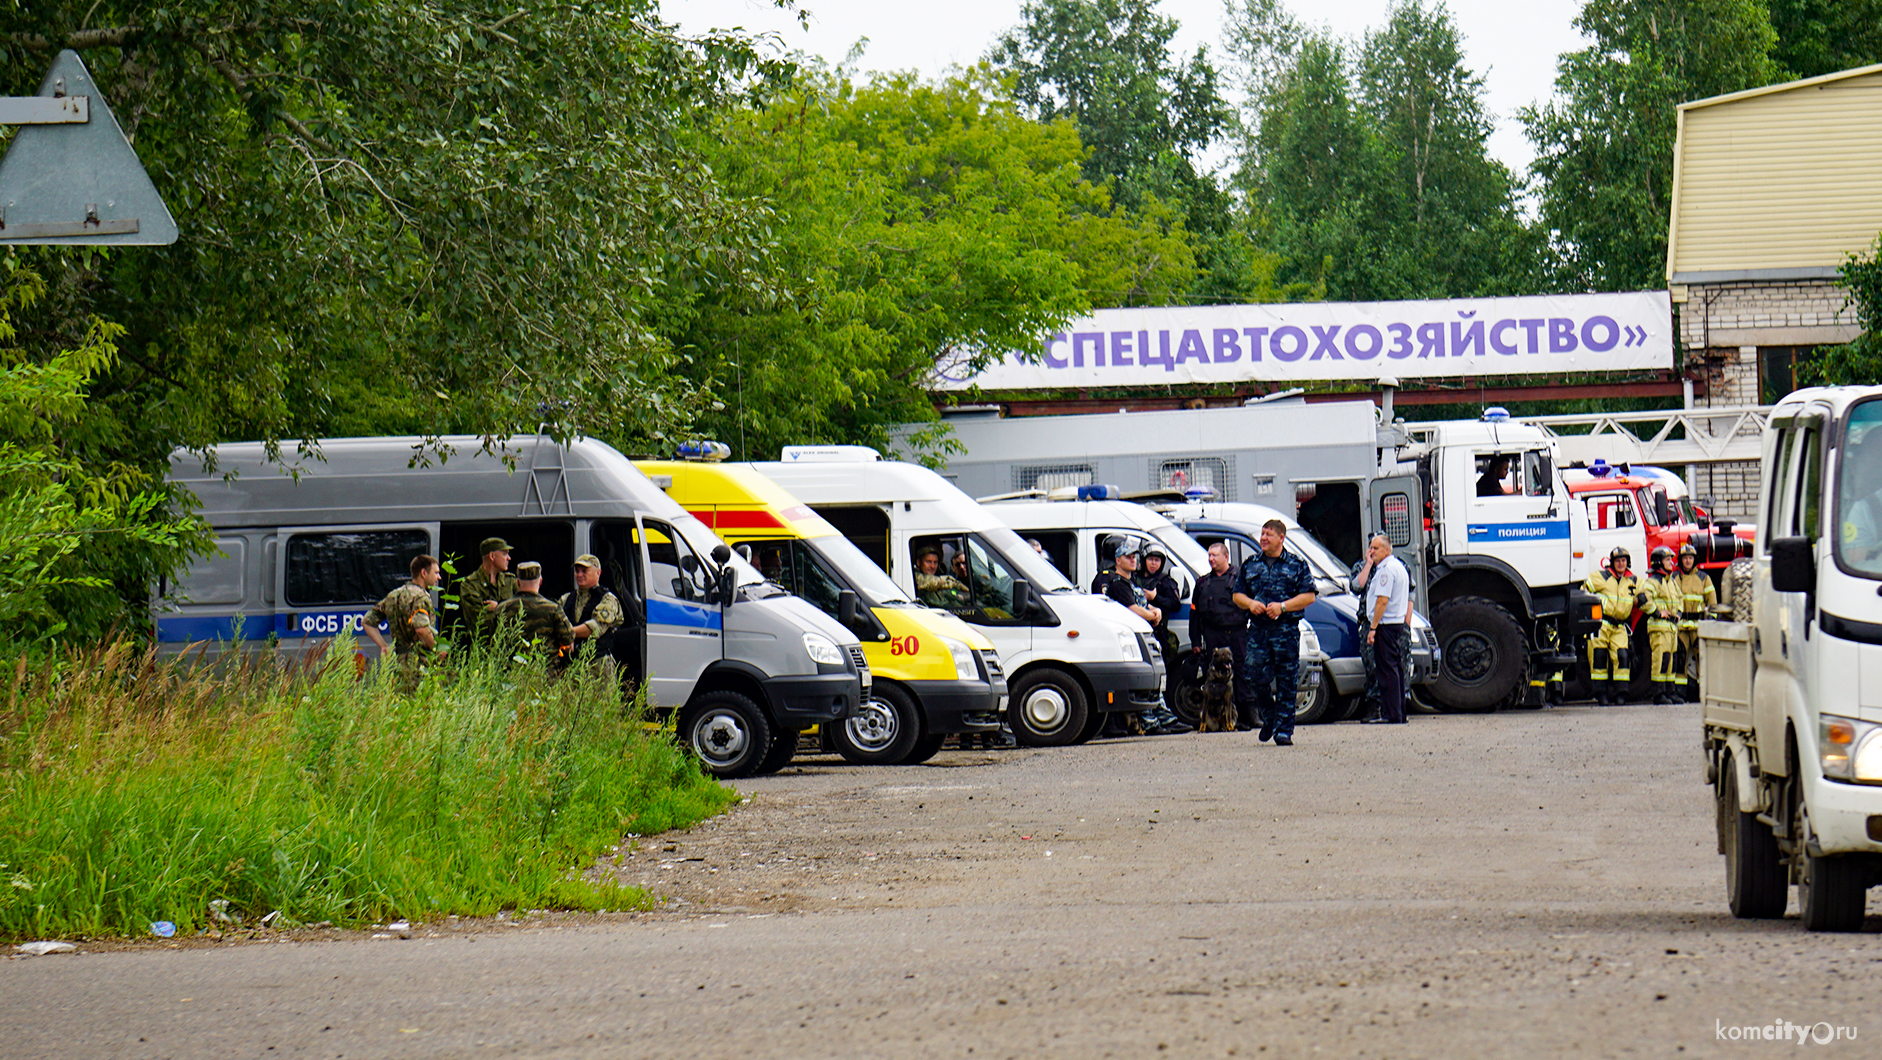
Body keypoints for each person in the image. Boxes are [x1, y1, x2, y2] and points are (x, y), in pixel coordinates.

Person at [1093, 536, 1190, 735]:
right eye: (1128, 557)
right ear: (1118, 560)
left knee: (1154, 682)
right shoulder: (1117, 584)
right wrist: (1152, 615)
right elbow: (1133, 609)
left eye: (1135, 557)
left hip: (1148, 637)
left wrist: (1156, 610)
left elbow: (1149, 604)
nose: (1133, 560)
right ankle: (1149, 721)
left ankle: (1160, 717)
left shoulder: (1131, 583)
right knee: (1144, 684)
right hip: (1132, 640)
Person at [1232, 519, 1317, 745]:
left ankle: (1283, 731)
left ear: (1281, 538)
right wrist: (1250, 603)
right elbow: (1237, 595)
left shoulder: (1297, 564)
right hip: (1258, 630)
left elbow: (1309, 595)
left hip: (1285, 630)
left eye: (1268, 534)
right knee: (1252, 675)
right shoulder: (1251, 564)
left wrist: (1283, 606)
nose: (1263, 538)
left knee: (1286, 681)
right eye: (1262, 534)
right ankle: (1269, 716)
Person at [362, 554, 443, 692]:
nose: (439, 577)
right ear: (423, 573)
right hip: (419, 665)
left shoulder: (394, 595)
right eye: (436, 573)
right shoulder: (421, 597)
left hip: (399, 663)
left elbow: (367, 622)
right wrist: (437, 650)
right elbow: (421, 629)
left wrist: (383, 646)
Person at [1584, 546, 1645, 705]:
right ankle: (1600, 694)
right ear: (1612, 562)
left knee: (1623, 657)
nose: (1620, 564)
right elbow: (1583, 588)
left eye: (1623, 561)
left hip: (1620, 626)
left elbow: (1647, 592)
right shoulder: (1601, 577)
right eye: (1617, 561)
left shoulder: (1633, 581)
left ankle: (1621, 693)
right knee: (1598, 657)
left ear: (1627, 562)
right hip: (1601, 624)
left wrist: (1642, 599)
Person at [1360, 534, 1411, 725]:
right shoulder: (1397, 566)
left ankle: (1392, 714)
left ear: (1387, 550)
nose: (1372, 551)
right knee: (1395, 668)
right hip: (1395, 623)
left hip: (1386, 625)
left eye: (1376, 548)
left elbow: (1382, 600)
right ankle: (1398, 712)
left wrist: (1373, 627)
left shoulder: (1386, 570)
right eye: (1371, 548)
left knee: (1387, 670)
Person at [496, 560, 575, 666]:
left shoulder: (501, 609)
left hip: (512, 674)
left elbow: (494, 642)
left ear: (518, 582)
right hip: (545, 673)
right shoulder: (553, 608)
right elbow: (568, 638)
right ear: (541, 581)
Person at [1136, 546, 1184, 710]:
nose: (1153, 564)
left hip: (1159, 634)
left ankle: (1163, 709)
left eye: (1157, 561)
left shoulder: (1166, 581)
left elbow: (1175, 604)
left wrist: (1155, 597)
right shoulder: (1134, 578)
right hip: (1136, 633)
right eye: (1150, 560)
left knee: (1162, 674)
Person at [559, 553, 624, 667]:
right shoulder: (566, 599)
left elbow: (594, 628)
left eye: (584, 571)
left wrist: (567, 634)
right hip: (571, 666)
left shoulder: (608, 599)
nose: (579, 575)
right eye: (577, 571)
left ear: (598, 573)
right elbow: (554, 623)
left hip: (598, 667)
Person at [1671, 542, 1718, 698]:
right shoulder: (1674, 578)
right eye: (1685, 558)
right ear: (1680, 560)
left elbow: (1712, 602)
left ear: (1694, 560)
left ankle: (1703, 694)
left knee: (1702, 659)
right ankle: (1680, 692)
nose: (1688, 561)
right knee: (1680, 658)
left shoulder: (1704, 578)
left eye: (1690, 558)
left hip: (1699, 625)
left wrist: (1711, 621)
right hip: (1681, 625)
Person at [455, 537, 516, 646]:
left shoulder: (510, 581)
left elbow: (523, 613)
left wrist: (498, 608)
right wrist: (508, 611)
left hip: (508, 648)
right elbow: (481, 621)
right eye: (505, 554)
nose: (509, 558)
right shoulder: (470, 585)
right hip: (482, 649)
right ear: (492, 556)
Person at [1643, 546, 1684, 704]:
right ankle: (1658, 694)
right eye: (1668, 560)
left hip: (1671, 628)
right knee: (1660, 660)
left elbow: (1680, 598)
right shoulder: (1653, 581)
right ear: (1659, 562)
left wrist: (1679, 613)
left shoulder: (1670, 581)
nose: (1671, 563)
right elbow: (1643, 599)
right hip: (1659, 627)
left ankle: (1670, 691)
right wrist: (1657, 612)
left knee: (1671, 660)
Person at [913, 545, 971, 610]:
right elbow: (933, 582)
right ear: (918, 562)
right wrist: (957, 584)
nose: (932, 566)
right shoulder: (914, 577)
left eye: (935, 562)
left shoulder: (938, 583)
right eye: (928, 562)